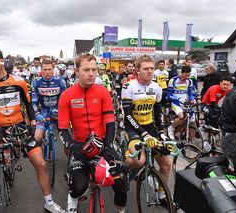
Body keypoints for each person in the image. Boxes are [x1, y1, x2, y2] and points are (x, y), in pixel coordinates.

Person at [0, 48, 65, 213]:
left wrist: (31, 122)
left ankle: (49, 202)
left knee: (41, 164)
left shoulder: (19, 82)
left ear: (1, 60)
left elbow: (28, 104)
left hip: (20, 126)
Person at [58, 53, 127, 213]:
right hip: (80, 145)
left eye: (94, 70)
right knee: (77, 187)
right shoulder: (66, 95)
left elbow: (110, 122)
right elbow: (62, 127)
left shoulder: (103, 92)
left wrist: (109, 146)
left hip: (103, 143)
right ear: (76, 71)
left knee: (121, 186)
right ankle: (72, 204)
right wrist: (72, 146)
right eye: (86, 70)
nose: (91, 74)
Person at [121, 55, 170, 199]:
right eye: (146, 68)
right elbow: (129, 116)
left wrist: (161, 131)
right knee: (138, 161)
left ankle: (161, 195)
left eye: (151, 68)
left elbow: (158, 111)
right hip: (132, 128)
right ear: (137, 70)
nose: (149, 71)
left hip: (150, 127)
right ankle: (121, 172)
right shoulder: (128, 86)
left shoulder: (156, 87)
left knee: (166, 164)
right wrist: (144, 134)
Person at [31, 59, 66, 145]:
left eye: (49, 69)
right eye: (45, 69)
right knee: (37, 137)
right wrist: (37, 114)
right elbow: (34, 101)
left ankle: (71, 158)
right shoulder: (36, 82)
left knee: (66, 141)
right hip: (44, 111)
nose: (47, 72)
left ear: (53, 70)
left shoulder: (60, 81)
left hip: (58, 111)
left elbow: (65, 100)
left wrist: (60, 110)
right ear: (41, 70)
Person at [167, 65, 196, 139]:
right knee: (181, 116)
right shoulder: (173, 80)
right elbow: (169, 95)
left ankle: (191, 138)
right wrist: (178, 99)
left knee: (192, 120)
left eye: (188, 75)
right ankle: (171, 128)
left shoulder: (189, 81)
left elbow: (190, 93)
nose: (187, 77)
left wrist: (192, 98)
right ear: (181, 73)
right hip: (175, 102)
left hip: (185, 102)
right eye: (186, 75)